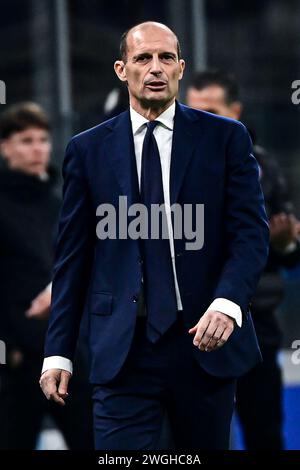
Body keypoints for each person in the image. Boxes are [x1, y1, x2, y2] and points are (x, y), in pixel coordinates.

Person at [40, 22, 269, 450]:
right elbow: (73, 258)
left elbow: (250, 235)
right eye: (143, 58)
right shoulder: (87, 150)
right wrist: (58, 352)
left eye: (166, 58)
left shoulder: (225, 138)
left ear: (181, 68)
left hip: (203, 343)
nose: (155, 68)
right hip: (121, 351)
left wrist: (228, 303)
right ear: (122, 69)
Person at [186, 70, 300, 449]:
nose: (203, 120)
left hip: (254, 323)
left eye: (213, 110)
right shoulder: (168, 164)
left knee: (264, 432)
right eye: (195, 110)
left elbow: (290, 248)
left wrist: (282, 243)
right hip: (186, 326)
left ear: (235, 111)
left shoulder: (264, 167)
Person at [0, 102, 93, 449]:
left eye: (42, 139)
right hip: (16, 364)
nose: (38, 148)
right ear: (5, 147)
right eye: (26, 140)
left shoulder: (61, 202)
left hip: (70, 356)